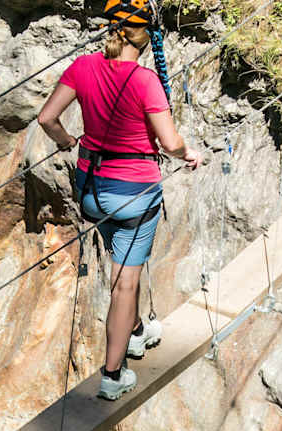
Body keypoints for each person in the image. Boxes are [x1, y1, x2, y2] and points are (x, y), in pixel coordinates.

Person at [36, 0, 202, 400]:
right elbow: (170, 142)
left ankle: (136, 332)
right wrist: (188, 154)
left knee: (122, 263)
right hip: (135, 195)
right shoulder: (145, 81)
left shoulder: (82, 68)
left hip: (91, 189)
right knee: (126, 282)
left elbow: (46, 118)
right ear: (142, 37)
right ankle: (114, 374)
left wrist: (68, 142)